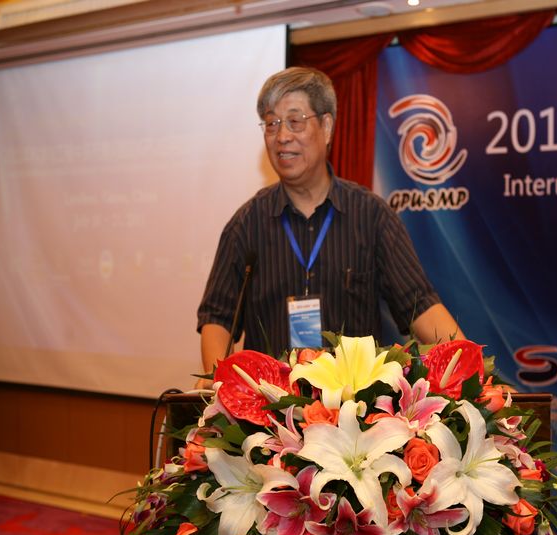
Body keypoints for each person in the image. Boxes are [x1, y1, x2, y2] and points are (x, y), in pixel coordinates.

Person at [196, 66, 463, 381]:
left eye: (295, 121)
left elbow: (420, 307)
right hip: (270, 405)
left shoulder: (371, 216)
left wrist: (470, 367)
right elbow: (218, 319)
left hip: (355, 406)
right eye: (271, 123)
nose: (282, 136)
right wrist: (219, 386)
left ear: (326, 127)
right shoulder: (246, 224)